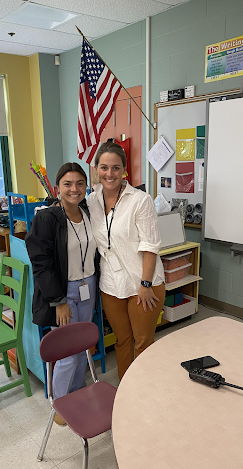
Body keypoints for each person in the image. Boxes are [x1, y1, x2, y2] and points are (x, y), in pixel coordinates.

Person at [25, 163, 98, 425]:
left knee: (82, 345)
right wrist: (58, 301)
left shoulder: (88, 213)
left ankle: (76, 391)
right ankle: (60, 403)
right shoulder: (47, 218)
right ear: (57, 188)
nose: (74, 189)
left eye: (80, 183)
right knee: (68, 349)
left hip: (88, 286)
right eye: (68, 184)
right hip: (64, 291)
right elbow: (41, 263)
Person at [87, 141, 165, 380]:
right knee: (122, 341)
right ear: (96, 169)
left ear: (124, 170)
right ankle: (126, 392)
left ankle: (143, 394)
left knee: (142, 343)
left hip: (143, 282)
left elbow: (150, 247)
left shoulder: (140, 200)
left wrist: (145, 284)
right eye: (104, 167)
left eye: (115, 168)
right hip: (111, 284)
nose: (109, 174)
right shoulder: (91, 200)